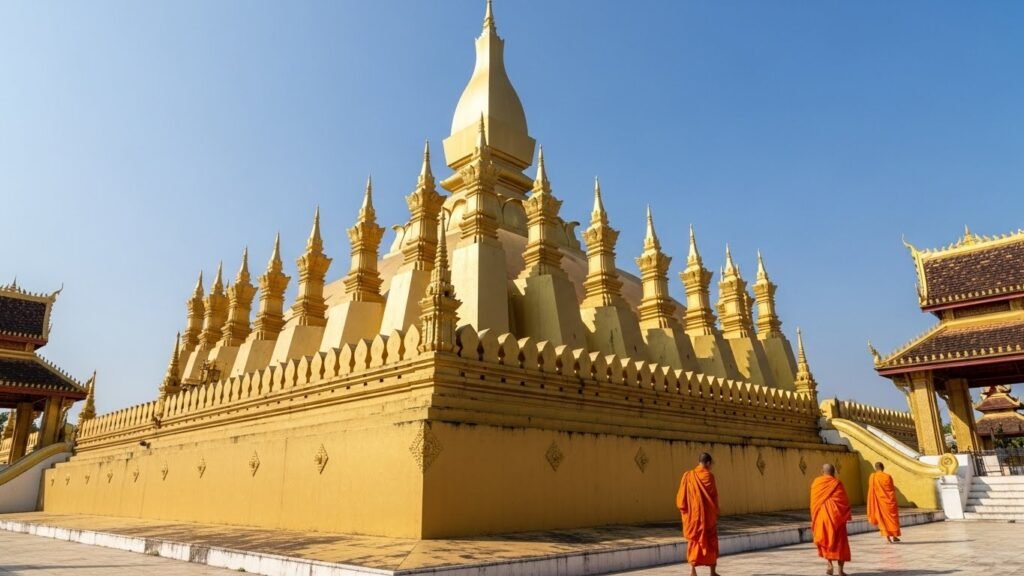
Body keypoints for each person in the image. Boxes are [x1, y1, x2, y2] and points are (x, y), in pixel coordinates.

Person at [676, 452, 720, 576]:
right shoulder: (709, 477)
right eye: (711, 464)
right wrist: (715, 509)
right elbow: (714, 497)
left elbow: (681, 500)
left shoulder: (688, 476)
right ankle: (713, 572)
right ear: (707, 463)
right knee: (711, 542)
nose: (711, 466)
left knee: (694, 542)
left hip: (694, 518)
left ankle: (693, 572)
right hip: (708, 518)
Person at [810, 463, 852, 576]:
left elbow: (814, 503)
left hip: (822, 517)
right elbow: (844, 502)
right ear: (834, 472)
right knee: (840, 543)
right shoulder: (837, 483)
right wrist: (846, 513)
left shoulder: (817, 482)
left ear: (822, 471)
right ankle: (840, 570)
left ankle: (829, 564)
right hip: (837, 518)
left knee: (826, 540)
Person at [867, 462, 901, 543]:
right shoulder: (888, 476)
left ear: (876, 468)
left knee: (883, 520)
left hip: (880, 502)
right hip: (889, 501)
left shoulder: (873, 477)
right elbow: (892, 489)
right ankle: (894, 536)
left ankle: (888, 538)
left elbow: (872, 490)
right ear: (883, 468)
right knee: (892, 519)